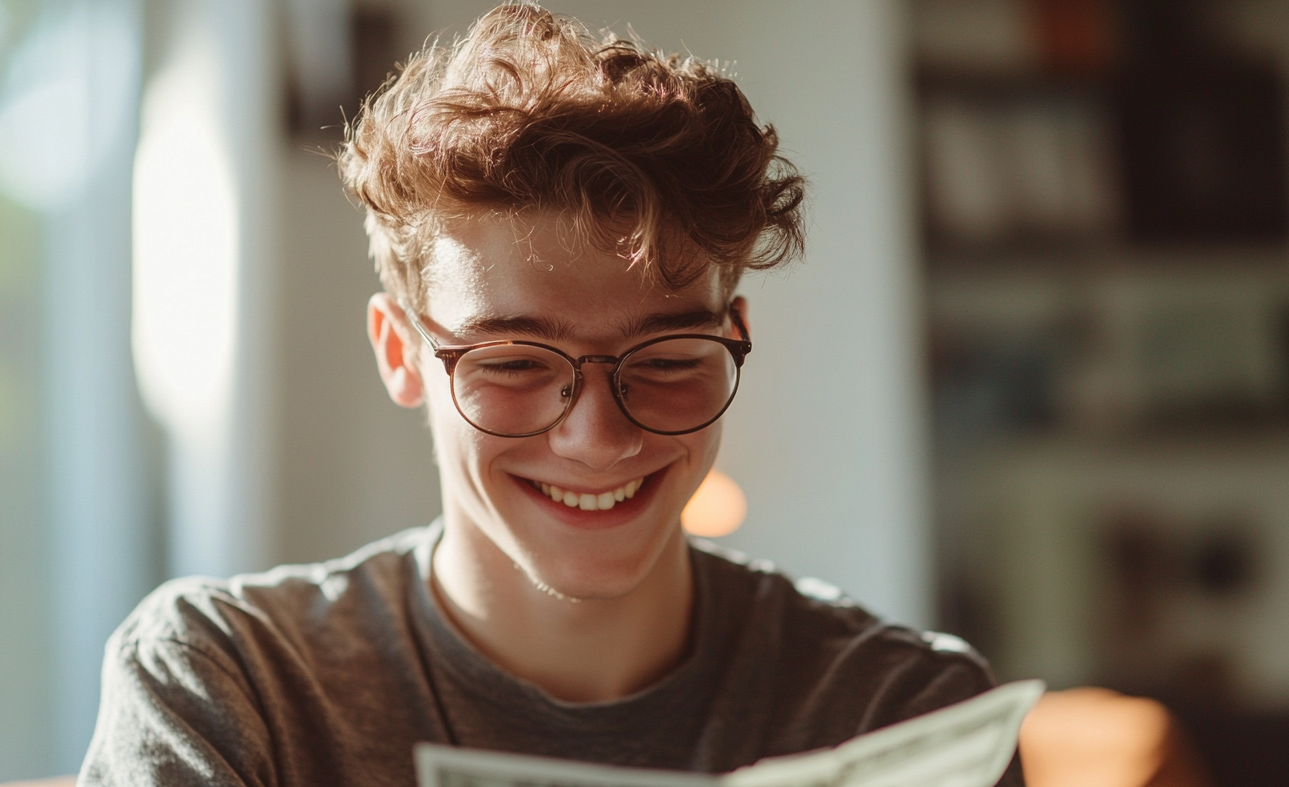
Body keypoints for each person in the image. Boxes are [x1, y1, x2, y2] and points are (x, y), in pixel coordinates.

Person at [81, 4, 1023, 785]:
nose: (598, 437)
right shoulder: (232, 686)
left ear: (734, 338)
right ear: (401, 354)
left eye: (665, 355)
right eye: (514, 362)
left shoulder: (899, 714)